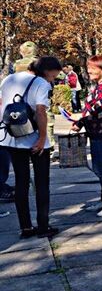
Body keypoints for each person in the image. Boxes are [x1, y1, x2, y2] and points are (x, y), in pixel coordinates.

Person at [0, 56, 63, 239]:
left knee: (21, 182)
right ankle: (43, 226)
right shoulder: (41, 83)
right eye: (53, 76)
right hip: (34, 139)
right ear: (46, 71)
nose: (53, 80)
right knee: (42, 183)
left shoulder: (9, 79)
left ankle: (25, 227)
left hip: (12, 139)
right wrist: (42, 138)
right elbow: (41, 112)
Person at [72, 56, 102, 217]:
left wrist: (80, 118)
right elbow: (92, 109)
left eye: (93, 68)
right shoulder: (99, 86)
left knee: (100, 168)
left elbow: (101, 109)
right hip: (96, 131)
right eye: (88, 67)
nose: (89, 71)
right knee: (99, 166)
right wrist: (80, 122)